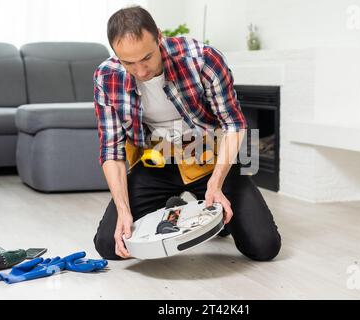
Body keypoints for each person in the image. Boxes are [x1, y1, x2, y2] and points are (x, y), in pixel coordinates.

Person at [93, 6, 281, 261]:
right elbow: (111, 151)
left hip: (209, 161)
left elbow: (233, 124)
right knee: (110, 245)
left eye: (147, 57)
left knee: (264, 247)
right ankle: (176, 208)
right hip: (156, 164)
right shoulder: (107, 76)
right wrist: (123, 209)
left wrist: (216, 184)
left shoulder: (202, 59)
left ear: (159, 37)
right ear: (116, 55)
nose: (140, 71)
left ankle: (210, 207)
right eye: (128, 62)